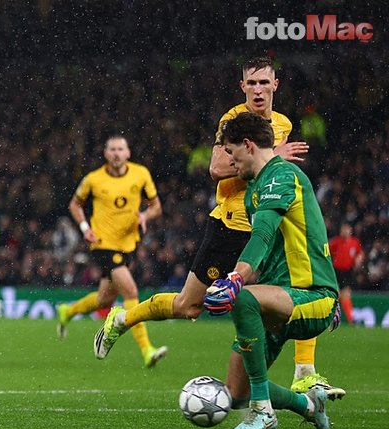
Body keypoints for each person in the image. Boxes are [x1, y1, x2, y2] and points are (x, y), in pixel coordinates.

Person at [94, 56, 339, 394]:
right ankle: (122, 318)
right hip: (230, 227)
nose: (258, 90)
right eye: (251, 83)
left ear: (275, 85)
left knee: (299, 286)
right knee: (188, 306)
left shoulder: (282, 123)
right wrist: (274, 155)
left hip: (267, 222)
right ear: (242, 87)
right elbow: (216, 169)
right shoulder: (232, 120)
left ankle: (304, 373)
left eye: (263, 82)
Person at [56, 134, 167, 368]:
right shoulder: (93, 179)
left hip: (129, 244)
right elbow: (75, 204)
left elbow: (156, 207)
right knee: (130, 291)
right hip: (102, 244)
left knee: (104, 298)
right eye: (112, 149)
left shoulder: (141, 174)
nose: (116, 154)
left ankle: (68, 311)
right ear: (106, 154)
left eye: (120, 149)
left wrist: (145, 216)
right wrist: (85, 228)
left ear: (128, 153)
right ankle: (147, 350)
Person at [329, 222, 364, 324]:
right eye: (343, 229)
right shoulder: (336, 241)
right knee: (339, 294)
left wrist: (358, 259)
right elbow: (327, 252)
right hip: (336, 271)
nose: (345, 231)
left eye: (347, 229)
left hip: (348, 272)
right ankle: (348, 318)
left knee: (344, 294)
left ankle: (347, 318)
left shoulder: (354, 242)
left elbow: (360, 253)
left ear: (350, 231)